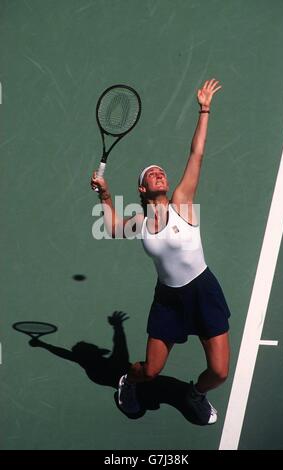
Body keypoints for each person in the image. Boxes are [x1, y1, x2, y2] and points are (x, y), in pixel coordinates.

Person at [91, 79, 231, 425]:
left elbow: (195, 153)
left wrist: (204, 109)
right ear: (142, 188)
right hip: (168, 300)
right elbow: (109, 227)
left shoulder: (183, 202)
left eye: (161, 172)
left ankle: (195, 394)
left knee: (219, 372)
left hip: (203, 290)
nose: (159, 173)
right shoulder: (139, 219)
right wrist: (105, 196)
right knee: (150, 371)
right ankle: (128, 382)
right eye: (152, 174)